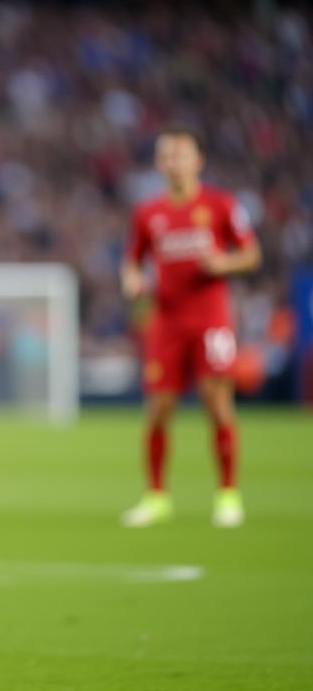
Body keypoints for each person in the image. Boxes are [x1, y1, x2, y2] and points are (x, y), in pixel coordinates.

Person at [120, 127, 260, 529]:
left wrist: (225, 264)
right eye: (167, 156)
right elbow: (133, 259)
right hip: (165, 320)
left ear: (198, 160)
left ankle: (228, 495)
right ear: (159, 163)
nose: (173, 163)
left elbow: (251, 254)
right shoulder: (149, 213)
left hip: (211, 319)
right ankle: (157, 497)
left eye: (181, 155)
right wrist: (131, 279)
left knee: (217, 404)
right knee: (159, 409)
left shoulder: (220, 205)